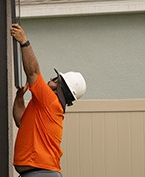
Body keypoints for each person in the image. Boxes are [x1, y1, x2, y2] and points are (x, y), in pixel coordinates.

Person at [10, 23, 87, 176]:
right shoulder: (46, 106)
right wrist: (19, 99)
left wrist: (24, 42)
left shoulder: (50, 100)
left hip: (40, 174)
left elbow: (32, 72)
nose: (50, 79)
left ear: (60, 87)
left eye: (55, 79)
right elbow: (21, 122)